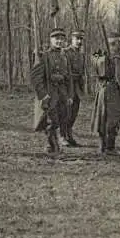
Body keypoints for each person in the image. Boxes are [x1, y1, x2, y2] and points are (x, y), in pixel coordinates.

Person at [31, 28, 73, 156]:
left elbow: (69, 78)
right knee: (51, 120)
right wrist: (43, 95)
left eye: (62, 39)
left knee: (62, 119)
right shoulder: (44, 56)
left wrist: (70, 95)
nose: (59, 41)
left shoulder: (64, 56)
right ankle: (51, 146)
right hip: (50, 93)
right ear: (51, 40)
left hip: (63, 93)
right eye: (56, 38)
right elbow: (36, 78)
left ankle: (55, 145)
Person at [90, 32, 120, 156]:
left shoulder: (101, 55)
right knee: (113, 119)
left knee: (102, 118)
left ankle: (102, 146)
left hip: (102, 89)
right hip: (113, 91)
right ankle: (110, 147)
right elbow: (119, 78)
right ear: (116, 43)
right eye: (119, 43)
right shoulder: (116, 57)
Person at [61, 29, 86, 147]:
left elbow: (81, 72)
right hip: (67, 86)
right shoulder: (65, 52)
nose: (79, 41)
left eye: (81, 39)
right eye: (77, 39)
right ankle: (62, 136)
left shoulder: (81, 55)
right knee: (66, 112)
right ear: (72, 39)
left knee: (74, 112)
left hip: (77, 88)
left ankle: (69, 134)